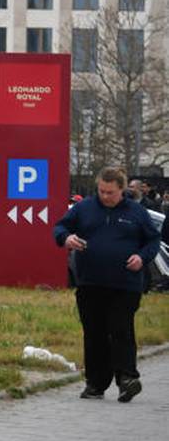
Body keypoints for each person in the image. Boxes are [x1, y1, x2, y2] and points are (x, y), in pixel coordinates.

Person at [53, 167, 160, 403]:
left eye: (110, 192)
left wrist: (142, 257)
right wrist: (66, 238)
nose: (105, 196)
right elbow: (60, 227)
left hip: (126, 283)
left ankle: (127, 379)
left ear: (122, 190)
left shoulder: (137, 212)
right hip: (91, 282)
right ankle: (96, 384)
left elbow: (153, 239)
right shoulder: (84, 208)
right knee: (94, 333)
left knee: (121, 329)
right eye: (101, 191)